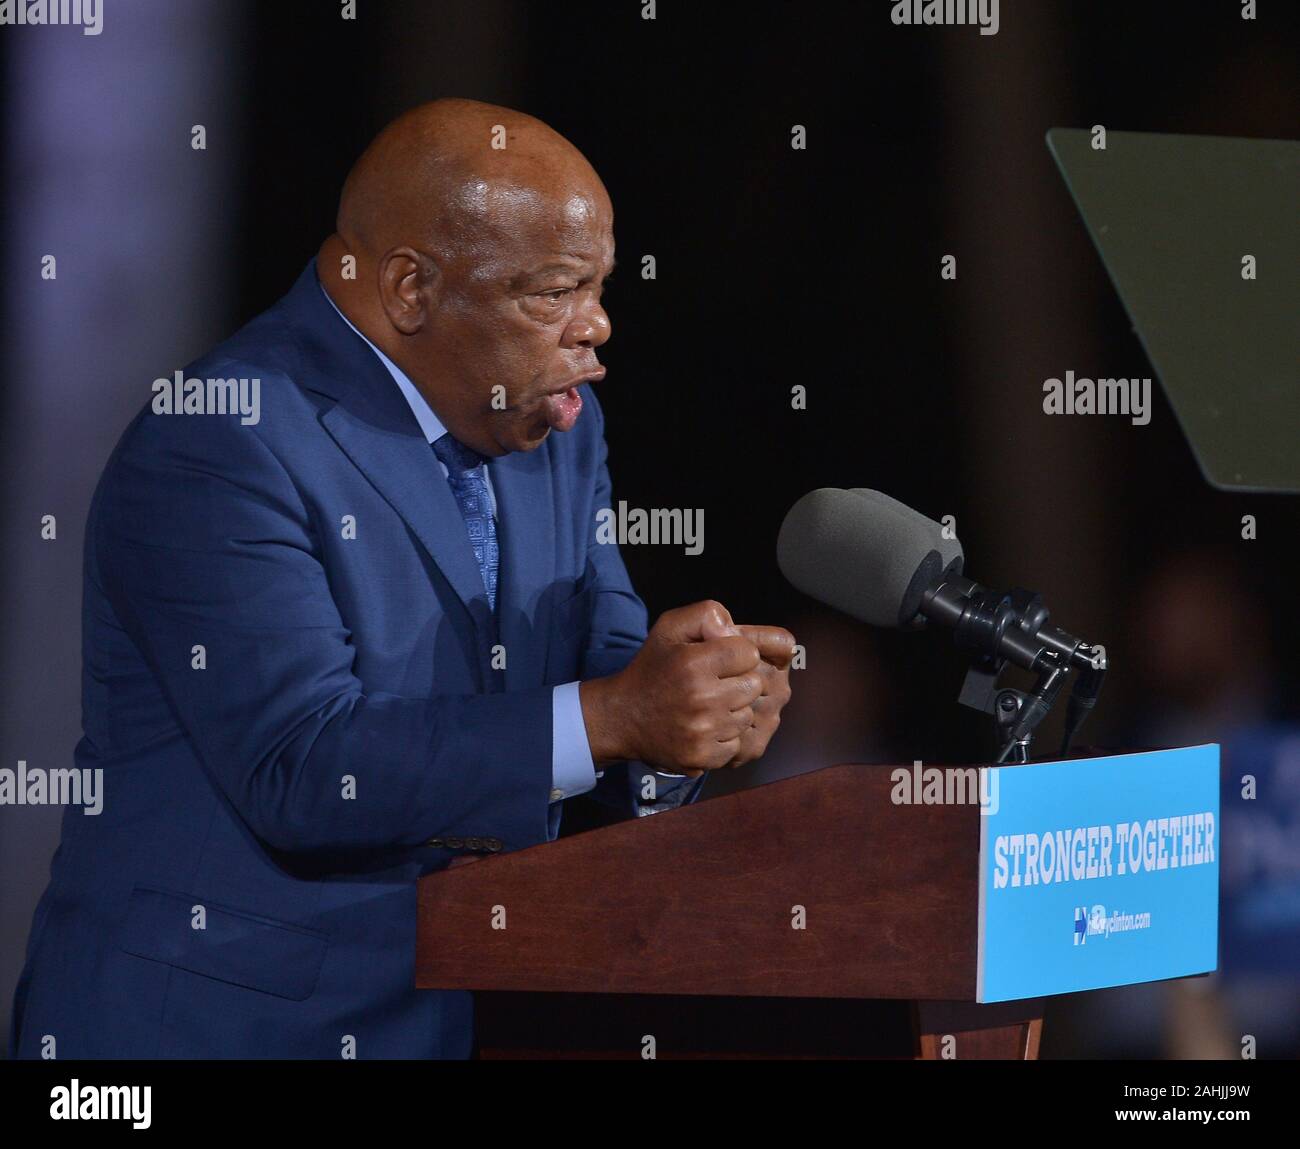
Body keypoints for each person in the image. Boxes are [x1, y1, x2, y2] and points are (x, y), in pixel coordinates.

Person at [10, 98, 794, 1059]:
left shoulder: (551, 432)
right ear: (412, 288)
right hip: (218, 1028)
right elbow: (302, 765)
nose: (597, 326)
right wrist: (614, 716)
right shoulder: (221, 437)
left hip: (454, 1020)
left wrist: (684, 720)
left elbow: (607, 660)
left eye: (600, 284)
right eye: (553, 291)